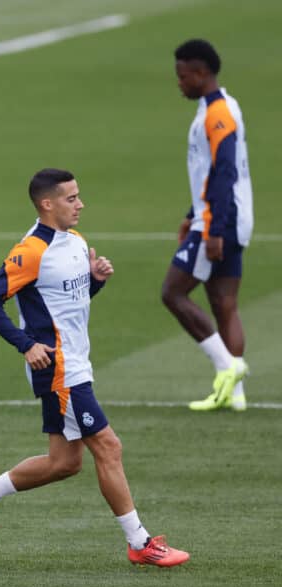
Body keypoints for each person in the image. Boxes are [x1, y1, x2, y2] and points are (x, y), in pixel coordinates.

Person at [0, 168, 189, 568]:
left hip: (78, 364)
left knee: (64, 463)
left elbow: (69, 301)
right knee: (109, 446)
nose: (80, 204)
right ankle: (139, 542)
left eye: (79, 196)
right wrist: (26, 344)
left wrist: (95, 281)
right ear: (46, 203)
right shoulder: (30, 251)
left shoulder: (75, 241)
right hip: (59, 369)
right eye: (71, 198)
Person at [160, 39, 253, 412]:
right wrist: (191, 213)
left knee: (173, 293)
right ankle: (236, 394)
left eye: (183, 76)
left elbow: (224, 171)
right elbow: (210, 173)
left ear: (201, 73)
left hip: (220, 220)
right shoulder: (222, 107)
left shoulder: (217, 114)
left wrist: (212, 228)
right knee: (223, 302)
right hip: (231, 215)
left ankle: (229, 367)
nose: (179, 83)